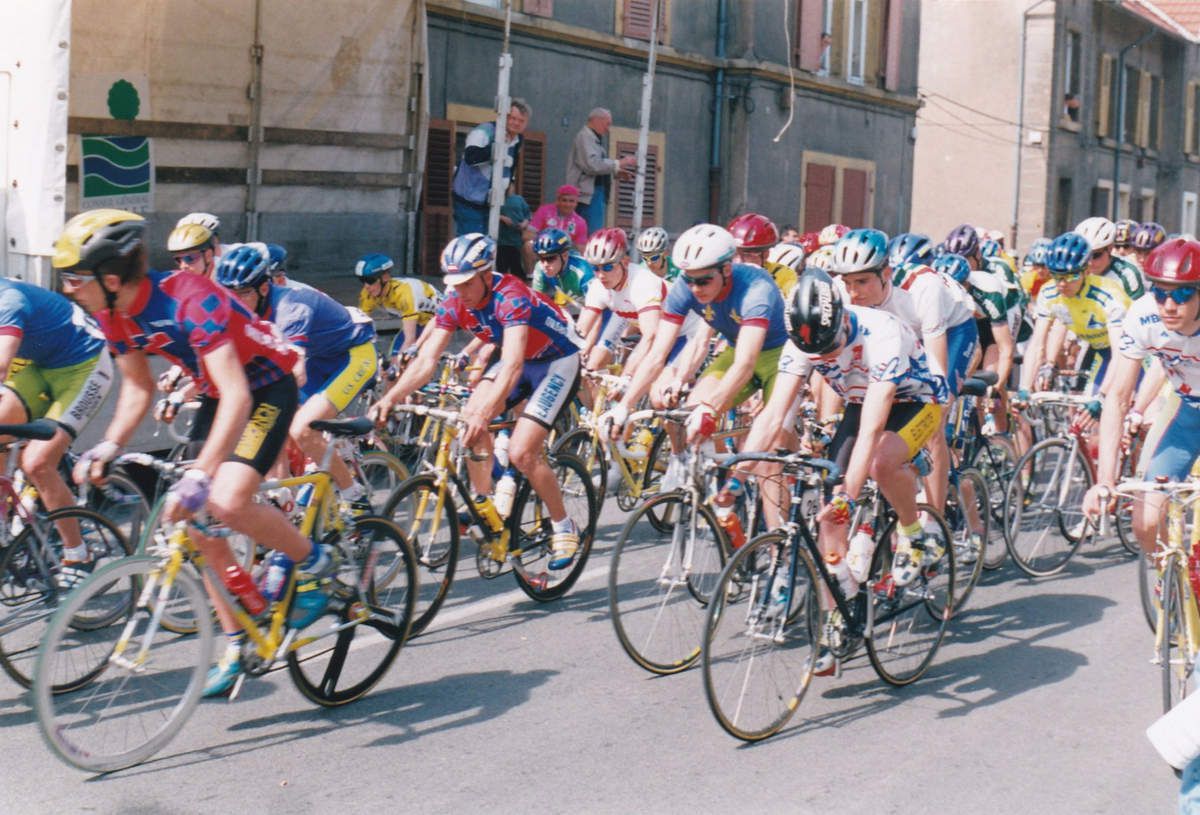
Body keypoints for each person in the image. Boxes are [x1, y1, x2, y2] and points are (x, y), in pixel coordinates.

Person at [52, 208, 338, 698]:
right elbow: (138, 389)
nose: (68, 288)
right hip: (216, 393)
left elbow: (238, 395)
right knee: (189, 522)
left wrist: (201, 474)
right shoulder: (113, 314)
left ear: (112, 277)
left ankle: (314, 564)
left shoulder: (192, 297)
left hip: (265, 388)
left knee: (224, 500)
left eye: (76, 278)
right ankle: (236, 641)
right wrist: (110, 444)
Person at [369, 233, 584, 568]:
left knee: (522, 452)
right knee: (468, 421)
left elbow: (511, 363)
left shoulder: (510, 296)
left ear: (487, 275)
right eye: (454, 284)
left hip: (557, 360)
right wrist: (391, 398)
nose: (460, 292)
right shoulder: (455, 301)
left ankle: (563, 524)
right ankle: (486, 507)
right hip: (523, 360)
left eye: (467, 283)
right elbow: (426, 360)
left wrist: (486, 412)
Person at [215, 244, 378, 514]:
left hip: (352, 356)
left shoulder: (290, 307)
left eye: (242, 294)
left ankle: (353, 494)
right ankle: (285, 507)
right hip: (319, 358)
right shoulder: (241, 308)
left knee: (300, 427)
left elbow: (296, 373)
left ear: (263, 289)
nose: (233, 303)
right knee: (270, 426)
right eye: (226, 295)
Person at [1083, 238, 1200, 556]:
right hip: (1186, 410)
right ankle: (1171, 591)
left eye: (1183, 294)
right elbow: (1118, 398)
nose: (1169, 306)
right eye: (1161, 293)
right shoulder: (1143, 316)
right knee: (1145, 523)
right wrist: (1105, 481)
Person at [0, 279, 114, 586]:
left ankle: (78, 553)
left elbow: (0, 366)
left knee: (37, 463)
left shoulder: (8, 300)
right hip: (42, 366)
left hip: (85, 367)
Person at [452, 100, 531, 236]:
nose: (516, 123)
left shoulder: (518, 140)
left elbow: (510, 167)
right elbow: (471, 158)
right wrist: (497, 146)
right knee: (472, 244)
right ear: (504, 117)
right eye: (513, 118)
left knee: (487, 245)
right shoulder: (485, 131)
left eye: (521, 121)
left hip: (491, 204)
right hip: (469, 201)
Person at [355, 253, 440, 362]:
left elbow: (410, 339)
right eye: (363, 280)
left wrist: (396, 367)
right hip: (419, 321)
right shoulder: (368, 293)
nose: (366, 286)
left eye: (370, 280)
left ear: (385, 277)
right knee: (393, 365)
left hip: (438, 322)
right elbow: (360, 327)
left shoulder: (403, 293)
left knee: (405, 364)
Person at [565, 107, 637, 233]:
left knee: (593, 234)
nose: (608, 128)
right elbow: (592, 164)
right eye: (607, 124)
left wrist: (616, 172)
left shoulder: (593, 138)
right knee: (591, 236)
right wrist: (620, 162)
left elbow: (596, 166)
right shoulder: (584, 137)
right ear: (597, 120)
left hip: (594, 195)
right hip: (587, 197)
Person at [1076, 216, 1145, 299]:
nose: (1089, 262)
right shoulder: (1071, 271)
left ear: (1110, 248)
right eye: (1084, 257)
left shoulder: (1127, 274)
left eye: (1096, 255)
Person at [530, 228, 594, 312]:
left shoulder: (583, 271)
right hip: (568, 306)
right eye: (541, 258)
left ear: (565, 255)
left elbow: (597, 309)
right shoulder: (540, 267)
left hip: (593, 308)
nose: (545, 264)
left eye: (550, 258)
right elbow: (536, 303)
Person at [497, 190, 533, 279]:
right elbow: (489, 212)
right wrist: (502, 218)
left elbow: (527, 215)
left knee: (517, 269)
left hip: (517, 240)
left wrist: (524, 223)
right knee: (502, 269)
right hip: (501, 241)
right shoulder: (496, 198)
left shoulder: (519, 199)